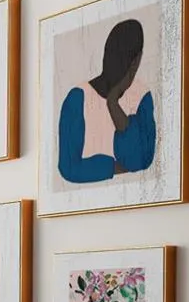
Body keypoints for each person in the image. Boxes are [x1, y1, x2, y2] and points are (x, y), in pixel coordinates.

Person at [56, 18, 155, 185]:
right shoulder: (78, 98)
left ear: (136, 61)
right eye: (112, 55)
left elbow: (141, 160)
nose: (114, 64)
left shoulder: (142, 96)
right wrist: (115, 167)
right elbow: (69, 169)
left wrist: (113, 104)